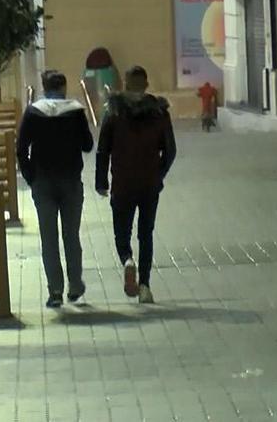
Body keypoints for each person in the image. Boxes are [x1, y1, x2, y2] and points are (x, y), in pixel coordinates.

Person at [95, 65, 177, 304]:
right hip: (149, 185)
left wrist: (101, 181)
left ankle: (127, 260)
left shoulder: (114, 111)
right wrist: (158, 174)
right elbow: (170, 150)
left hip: (122, 184)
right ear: (147, 85)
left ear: (124, 84)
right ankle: (145, 287)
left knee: (122, 232)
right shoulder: (159, 113)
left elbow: (103, 150)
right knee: (146, 234)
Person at [17, 70, 94, 308]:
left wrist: (30, 176)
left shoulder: (33, 112)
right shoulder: (75, 111)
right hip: (70, 180)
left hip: (43, 181)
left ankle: (55, 291)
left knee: (48, 238)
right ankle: (75, 285)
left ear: (43, 87)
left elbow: (21, 148)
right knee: (71, 236)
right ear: (64, 87)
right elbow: (88, 145)